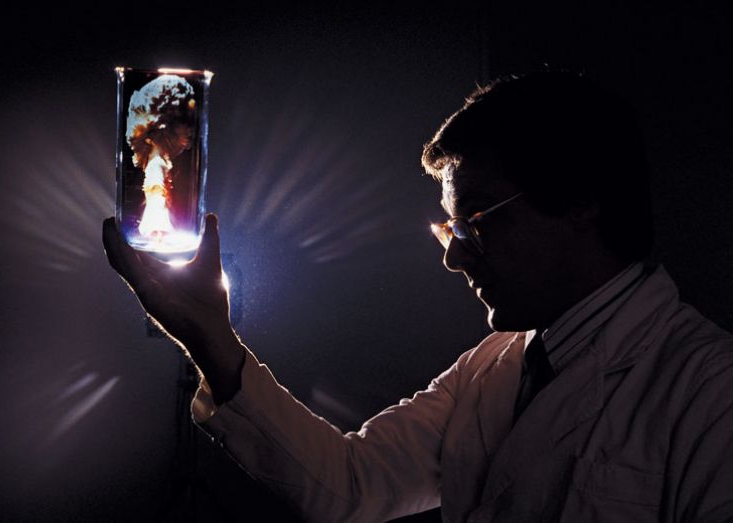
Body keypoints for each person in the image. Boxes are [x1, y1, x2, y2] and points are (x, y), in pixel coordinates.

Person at [102, 72, 733, 522]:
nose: (455, 257)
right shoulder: (494, 367)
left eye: (475, 225)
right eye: (448, 230)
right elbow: (351, 487)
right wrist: (211, 339)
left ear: (581, 203)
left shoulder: (710, 392)